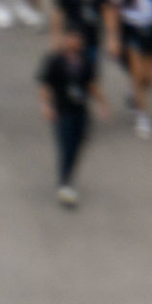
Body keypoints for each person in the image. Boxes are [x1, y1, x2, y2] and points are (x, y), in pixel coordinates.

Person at [38, 24, 105, 206]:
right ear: (66, 39)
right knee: (66, 146)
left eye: (78, 39)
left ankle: (68, 176)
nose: (75, 42)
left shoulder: (85, 61)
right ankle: (65, 183)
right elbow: (45, 84)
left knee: (78, 145)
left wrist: (102, 103)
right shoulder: (55, 61)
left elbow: (91, 85)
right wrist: (46, 105)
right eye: (72, 38)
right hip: (62, 110)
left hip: (80, 111)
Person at [110, 0, 152, 138]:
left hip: (150, 33)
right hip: (131, 33)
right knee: (137, 74)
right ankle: (143, 117)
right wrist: (114, 38)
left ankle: (134, 96)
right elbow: (113, 15)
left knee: (150, 79)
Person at [53, 0, 108, 75]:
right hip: (72, 40)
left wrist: (112, 36)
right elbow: (58, 14)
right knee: (71, 72)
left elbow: (106, 12)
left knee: (91, 73)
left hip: (92, 39)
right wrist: (56, 37)